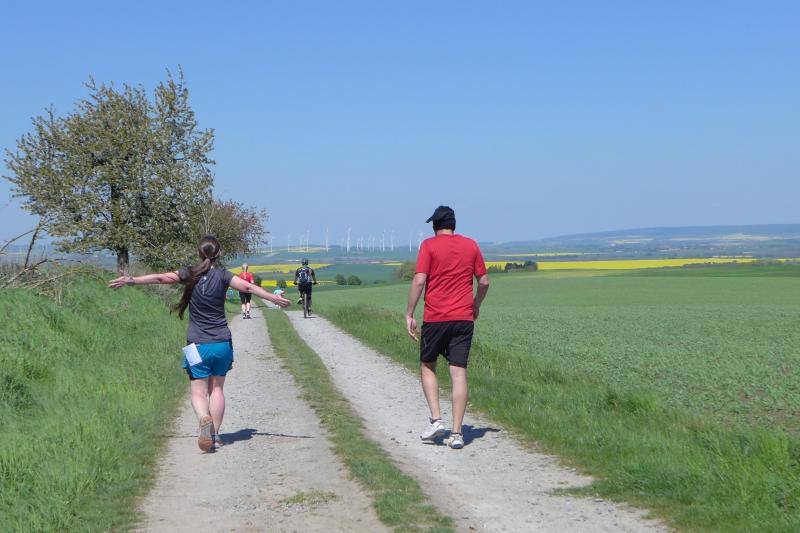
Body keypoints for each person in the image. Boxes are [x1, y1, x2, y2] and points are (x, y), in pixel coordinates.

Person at [108, 236, 290, 452]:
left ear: (198, 253)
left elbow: (160, 278)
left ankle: (204, 417)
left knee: (198, 391)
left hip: (196, 345)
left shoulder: (188, 273)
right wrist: (272, 298)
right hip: (221, 343)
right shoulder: (224, 275)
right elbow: (248, 287)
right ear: (218, 254)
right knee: (217, 390)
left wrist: (130, 280)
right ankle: (215, 436)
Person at [405, 206, 489, 450]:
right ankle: (457, 434)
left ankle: (436, 420)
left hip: (435, 318)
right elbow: (484, 281)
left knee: (427, 365)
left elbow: (419, 280)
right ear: (454, 224)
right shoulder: (471, 245)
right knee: (458, 372)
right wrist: (475, 305)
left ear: (434, 226)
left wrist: (409, 313)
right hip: (463, 318)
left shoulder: (428, 246)